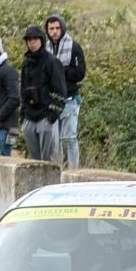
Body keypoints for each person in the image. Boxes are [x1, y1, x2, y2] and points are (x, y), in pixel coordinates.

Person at [44, 14, 87, 170]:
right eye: (51, 28)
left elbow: (80, 72)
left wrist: (61, 71)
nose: (54, 31)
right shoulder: (45, 49)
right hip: (52, 101)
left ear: (62, 28)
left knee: (70, 138)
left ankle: (74, 171)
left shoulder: (74, 46)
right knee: (55, 140)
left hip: (70, 99)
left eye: (57, 28)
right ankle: (59, 171)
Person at [19, 25, 66, 163]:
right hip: (29, 118)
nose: (32, 42)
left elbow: (61, 93)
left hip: (46, 118)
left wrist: (52, 116)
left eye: (35, 39)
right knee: (34, 163)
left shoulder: (52, 62)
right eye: (29, 40)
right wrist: (23, 116)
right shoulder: (26, 64)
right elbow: (23, 90)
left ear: (42, 40)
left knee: (50, 162)